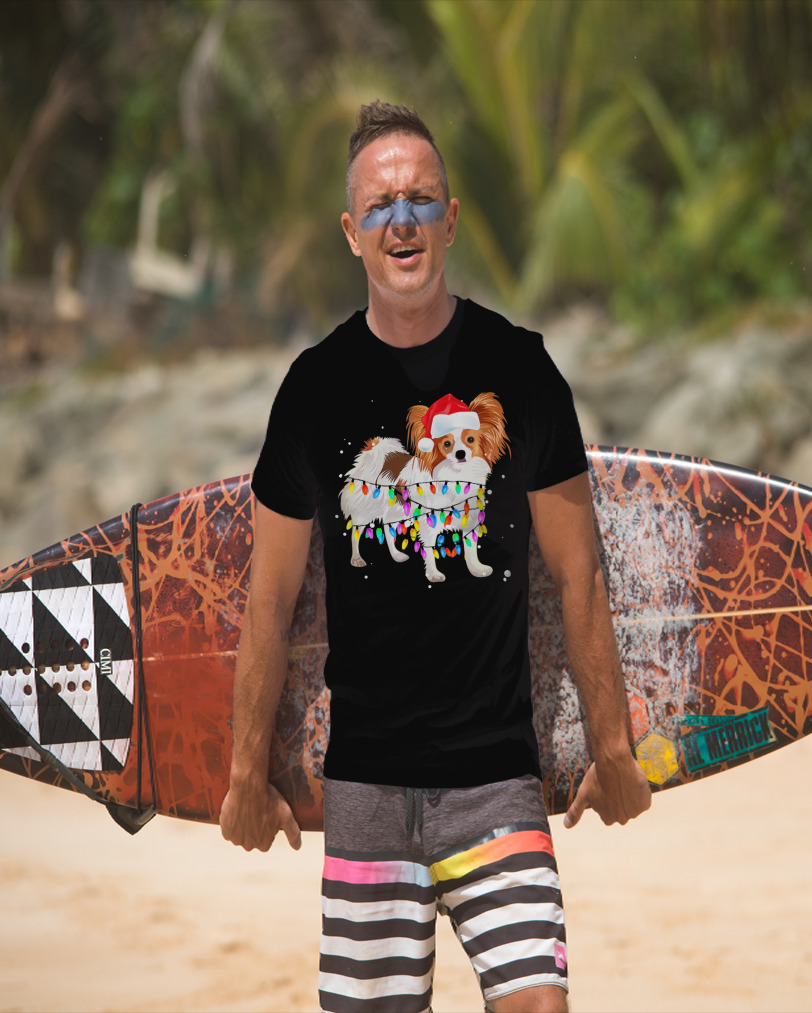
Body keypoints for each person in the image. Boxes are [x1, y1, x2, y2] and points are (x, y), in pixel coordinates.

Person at [220, 100, 651, 1013]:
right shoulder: (313, 389)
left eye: (420, 200)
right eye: (380, 206)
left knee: (540, 1004)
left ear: (450, 220)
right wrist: (244, 772)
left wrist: (612, 745)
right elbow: (270, 600)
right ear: (352, 233)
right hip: (366, 788)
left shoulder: (522, 371)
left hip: (496, 781)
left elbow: (578, 573)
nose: (402, 221)